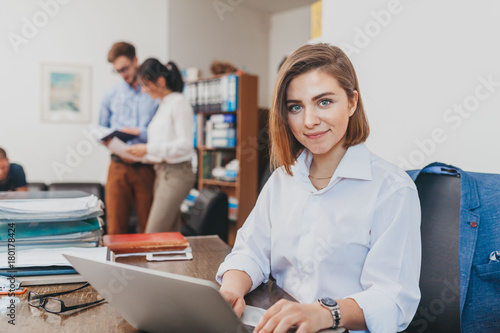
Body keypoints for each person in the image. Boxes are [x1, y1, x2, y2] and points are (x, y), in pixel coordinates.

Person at [216, 44, 422, 333]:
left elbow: (392, 299)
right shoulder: (282, 180)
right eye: (295, 107)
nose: (309, 121)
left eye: (324, 102)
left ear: (352, 103)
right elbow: (251, 251)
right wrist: (232, 290)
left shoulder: (392, 189)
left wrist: (324, 313)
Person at [127, 59, 195, 233]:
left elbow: (185, 145)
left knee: (153, 234)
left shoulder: (179, 102)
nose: (143, 90)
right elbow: (163, 145)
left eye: (146, 84)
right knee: (168, 236)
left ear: (161, 81)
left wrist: (147, 149)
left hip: (177, 175)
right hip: (162, 173)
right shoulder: (163, 104)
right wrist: (140, 154)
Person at [99, 42, 159, 234]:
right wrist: (109, 141)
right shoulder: (110, 95)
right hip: (118, 167)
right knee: (115, 228)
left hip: (145, 167)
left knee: (148, 228)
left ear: (135, 60)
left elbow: (161, 132)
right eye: (118, 71)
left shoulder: (154, 93)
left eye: (125, 68)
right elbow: (102, 130)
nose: (123, 74)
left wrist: (137, 133)